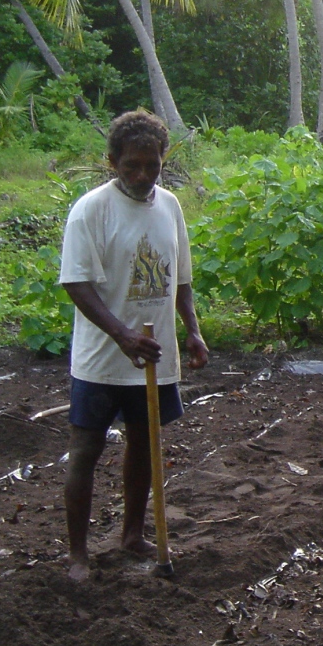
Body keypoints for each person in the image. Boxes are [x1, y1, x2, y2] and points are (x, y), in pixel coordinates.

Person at [58, 111, 208, 581]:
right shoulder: (91, 210)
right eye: (131, 167)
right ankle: (78, 554)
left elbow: (180, 278)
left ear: (164, 160)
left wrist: (193, 330)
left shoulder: (170, 207)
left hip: (153, 356)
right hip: (103, 359)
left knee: (144, 445)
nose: (142, 176)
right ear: (112, 162)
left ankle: (132, 534)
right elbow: (76, 282)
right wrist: (121, 335)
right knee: (86, 449)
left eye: (152, 166)